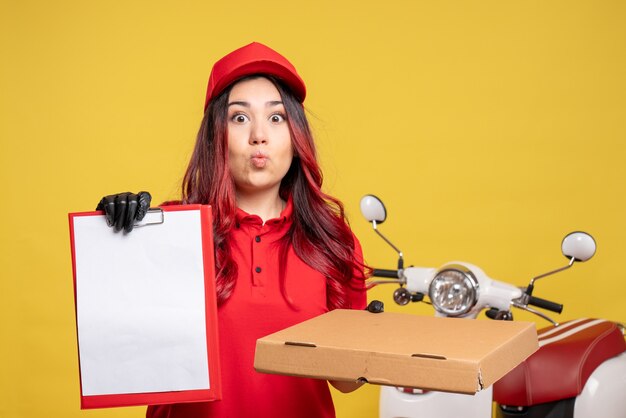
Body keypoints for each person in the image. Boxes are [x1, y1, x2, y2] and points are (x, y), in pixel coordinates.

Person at [97, 42, 367, 417]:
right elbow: (123, 344)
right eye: (239, 118)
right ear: (216, 137)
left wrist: (368, 338)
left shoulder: (332, 239)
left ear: (296, 136)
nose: (259, 135)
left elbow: (347, 383)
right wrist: (117, 240)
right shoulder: (171, 231)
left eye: (276, 118)